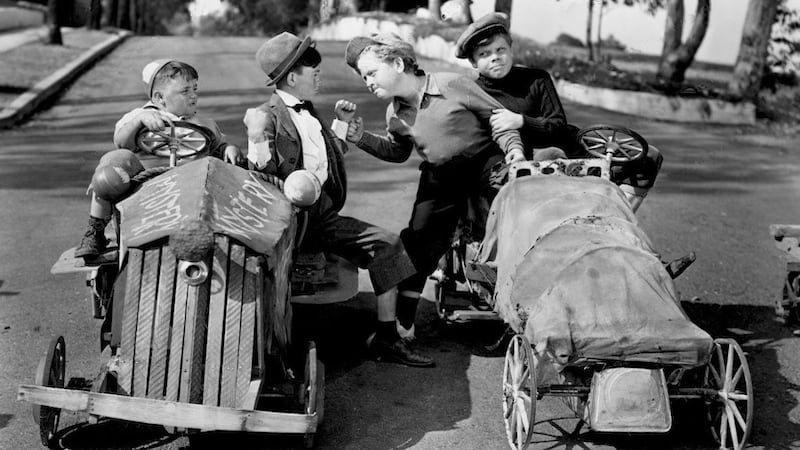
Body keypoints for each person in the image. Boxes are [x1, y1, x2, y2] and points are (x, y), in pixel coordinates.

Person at [242, 32, 434, 368]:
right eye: (313, 73)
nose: (319, 78)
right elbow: (260, 171)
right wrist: (256, 136)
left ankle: (386, 337)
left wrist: (342, 126)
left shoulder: (311, 114)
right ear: (291, 77)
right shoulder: (266, 116)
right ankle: (270, 350)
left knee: (388, 245)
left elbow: (326, 156)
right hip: (287, 220)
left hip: (323, 217)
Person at [342, 33, 526, 340]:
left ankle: (517, 304)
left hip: (485, 166)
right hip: (441, 175)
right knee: (417, 241)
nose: (368, 82)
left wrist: (515, 152)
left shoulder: (453, 84)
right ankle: (403, 319)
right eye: (364, 78)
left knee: (515, 226)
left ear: (398, 63)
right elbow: (397, 151)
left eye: (372, 73)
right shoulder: (395, 113)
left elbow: (499, 119)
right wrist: (360, 137)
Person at [455, 12, 663, 211]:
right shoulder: (474, 93)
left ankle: (612, 221)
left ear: (510, 49)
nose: (495, 58)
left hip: (563, 143)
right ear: (473, 62)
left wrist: (521, 121)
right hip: (523, 160)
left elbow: (557, 125)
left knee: (647, 158)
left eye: (500, 50)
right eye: (484, 54)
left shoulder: (537, 78)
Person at [74, 59, 243, 259]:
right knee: (115, 160)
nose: (194, 96)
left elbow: (219, 145)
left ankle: (233, 231)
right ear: (159, 98)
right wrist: (139, 121)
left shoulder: (204, 123)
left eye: (195, 89)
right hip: (146, 189)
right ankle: (95, 230)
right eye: (185, 91)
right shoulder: (140, 116)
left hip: (194, 189)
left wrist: (229, 148)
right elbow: (121, 142)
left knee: (228, 168)